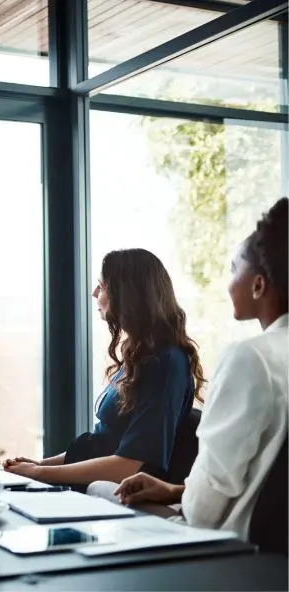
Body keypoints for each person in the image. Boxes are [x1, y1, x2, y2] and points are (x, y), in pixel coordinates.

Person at [107, 198, 288, 541]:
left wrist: (184, 500)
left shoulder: (251, 359)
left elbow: (203, 512)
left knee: (101, 492)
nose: (228, 281)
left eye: (235, 269)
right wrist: (176, 490)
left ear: (259, 285)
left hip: (229, 551)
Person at [4, 248, 205, 489]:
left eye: (102, 286)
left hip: (120, 499)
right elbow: (104, 443)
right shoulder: (140, 356)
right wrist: (40, 465)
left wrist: (40, 473)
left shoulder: (164, 363)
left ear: (127, 295)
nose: (94, 293)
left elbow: (128, 465)